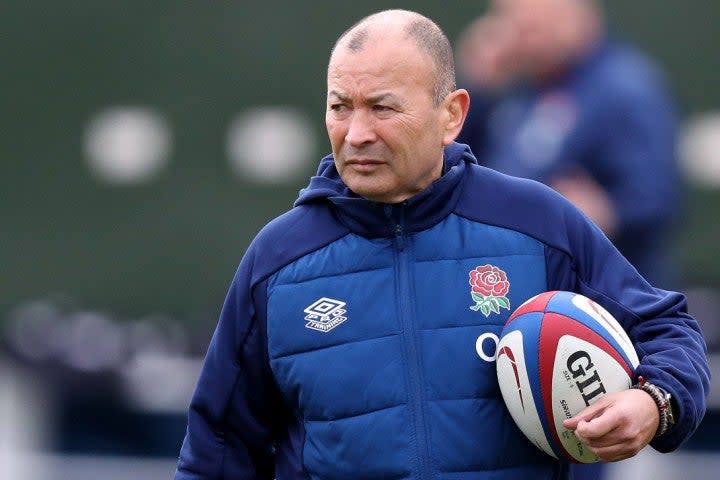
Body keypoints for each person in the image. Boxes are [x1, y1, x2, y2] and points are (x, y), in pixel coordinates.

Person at [175, 9, 709, 479]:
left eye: (383, 108)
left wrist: (653, 402)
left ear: (451, 115)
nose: (357, 132)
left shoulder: (537, 223)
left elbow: (668, 329)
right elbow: (217, 451)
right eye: (341, 107)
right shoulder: (278, 260)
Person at [457, 0, 682, 290]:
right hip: (519, 283)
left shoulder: (624, 88)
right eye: (513, 22)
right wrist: (478, 88)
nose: (521, 35)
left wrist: (607, 211)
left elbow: (659, 196)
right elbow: (462, 169)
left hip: (605, 295)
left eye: (534, 24)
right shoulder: (520, 91)